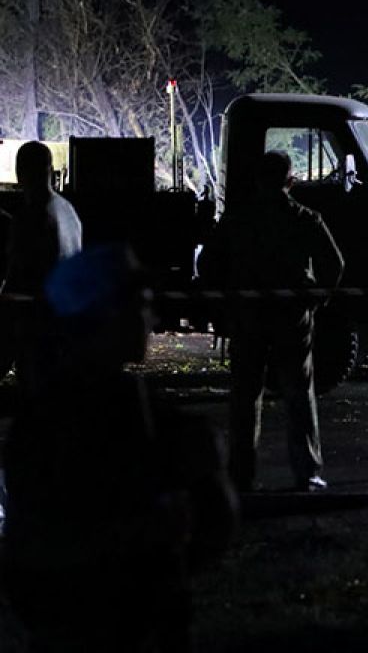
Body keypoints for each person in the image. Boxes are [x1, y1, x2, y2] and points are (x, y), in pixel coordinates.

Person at [2, 245, 237, 651]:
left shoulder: (54, 410)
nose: (152, 317)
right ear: (104, 315)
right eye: (140, 303)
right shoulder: (95, 417)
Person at [199, 151, 344, 492]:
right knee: (298, 394)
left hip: (247, 317)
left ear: (257, 180)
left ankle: (240, 474)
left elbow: (207, 263)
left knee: (245, 395)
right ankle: (307, 471)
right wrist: (316, 298)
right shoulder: (305, 217)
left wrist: (225, 301)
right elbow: (334, 264)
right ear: (290, 181)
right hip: (291, 317)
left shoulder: (237, 219)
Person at [1, 141, 82, 399]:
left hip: (39, 326)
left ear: (19, 172)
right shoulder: (69, 212)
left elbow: (18, 278)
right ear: (51, 169)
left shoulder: (31, 217)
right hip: (68, 322)